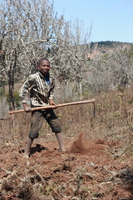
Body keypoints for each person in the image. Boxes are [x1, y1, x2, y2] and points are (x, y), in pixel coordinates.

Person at [19, 58, 66, 158]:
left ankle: (63, 148)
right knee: (34, 130)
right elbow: (24, 90)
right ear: (38, 67)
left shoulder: (51, 77)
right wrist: (25, 104)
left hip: (47, 106)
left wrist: (51, 100)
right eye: (44, 66)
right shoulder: (33, 77)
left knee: (57, 125)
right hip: (37, 107)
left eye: (48, 66)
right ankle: (26, 153)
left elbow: (51, 90)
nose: (46, 68)